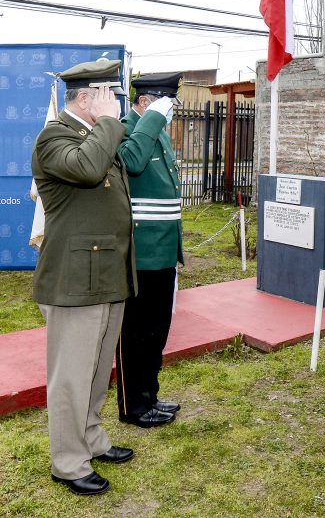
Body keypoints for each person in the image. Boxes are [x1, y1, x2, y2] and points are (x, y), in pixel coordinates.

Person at [31, 59, 136, 495]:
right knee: (72, 375)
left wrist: (109, 127)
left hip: (108, 271)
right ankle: (69, 462)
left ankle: (91, 438)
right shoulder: (54, 137)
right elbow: (90, 170)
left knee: (96, 371)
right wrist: (108, 125)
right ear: (85, 97)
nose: (116, 104)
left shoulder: (95, 136)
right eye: (109, 95)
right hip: (75, 278)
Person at [114, 72, 184, 428]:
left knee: (157, 329)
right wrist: (153, 118)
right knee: (135, 333)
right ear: (145, 102)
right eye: (166, 103)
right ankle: (133, 406)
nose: (171, 111)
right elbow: (133, 162)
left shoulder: (154, 130)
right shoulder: (128, 128)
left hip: (163, 248)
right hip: (139, 252)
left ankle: (150, 396)